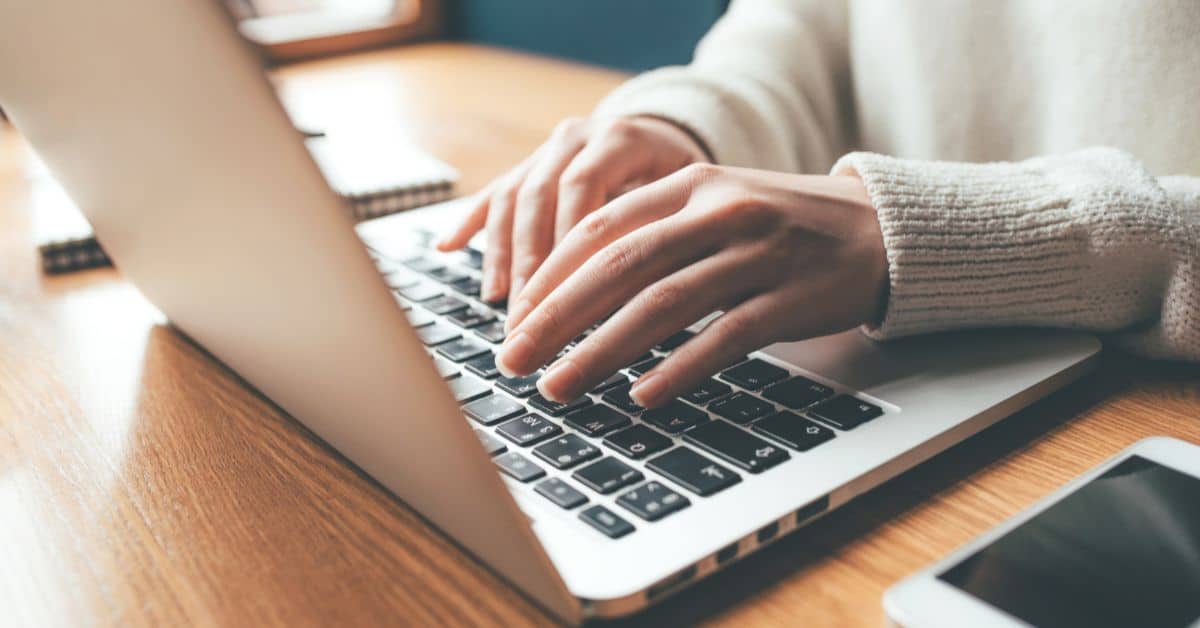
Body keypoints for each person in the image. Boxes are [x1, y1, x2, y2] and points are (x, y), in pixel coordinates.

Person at [437, 0, 1199, 408]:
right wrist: (687, 122)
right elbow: (806, 27)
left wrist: (928, 233)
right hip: (898, 352)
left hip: (1147, 419)